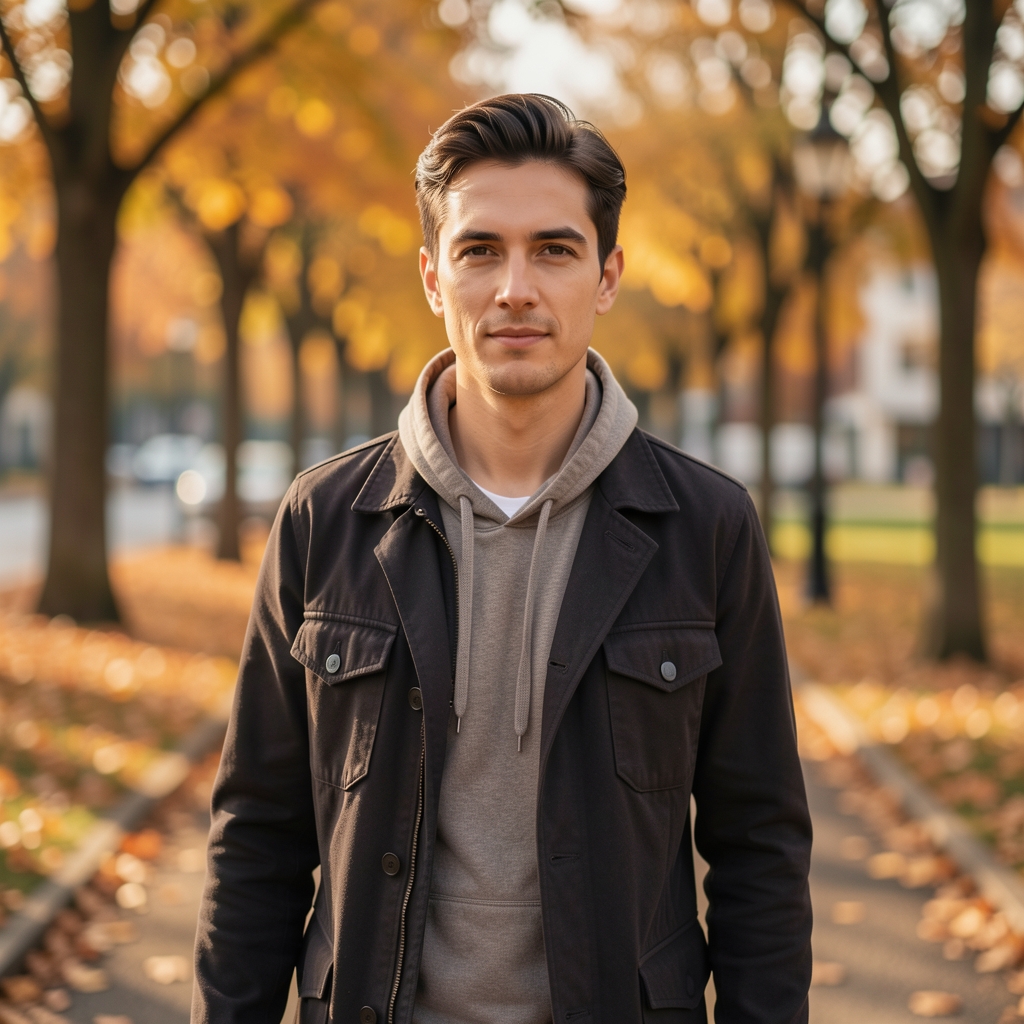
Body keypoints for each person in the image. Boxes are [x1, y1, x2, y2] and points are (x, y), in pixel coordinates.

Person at [192, 93, 812, 1024]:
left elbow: (759, 843)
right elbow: (257, 840)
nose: (514, 287)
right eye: (480, 250)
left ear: (606, 277)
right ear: (435, 279)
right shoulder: (325, 521)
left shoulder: (706, 526)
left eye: (553, 250)